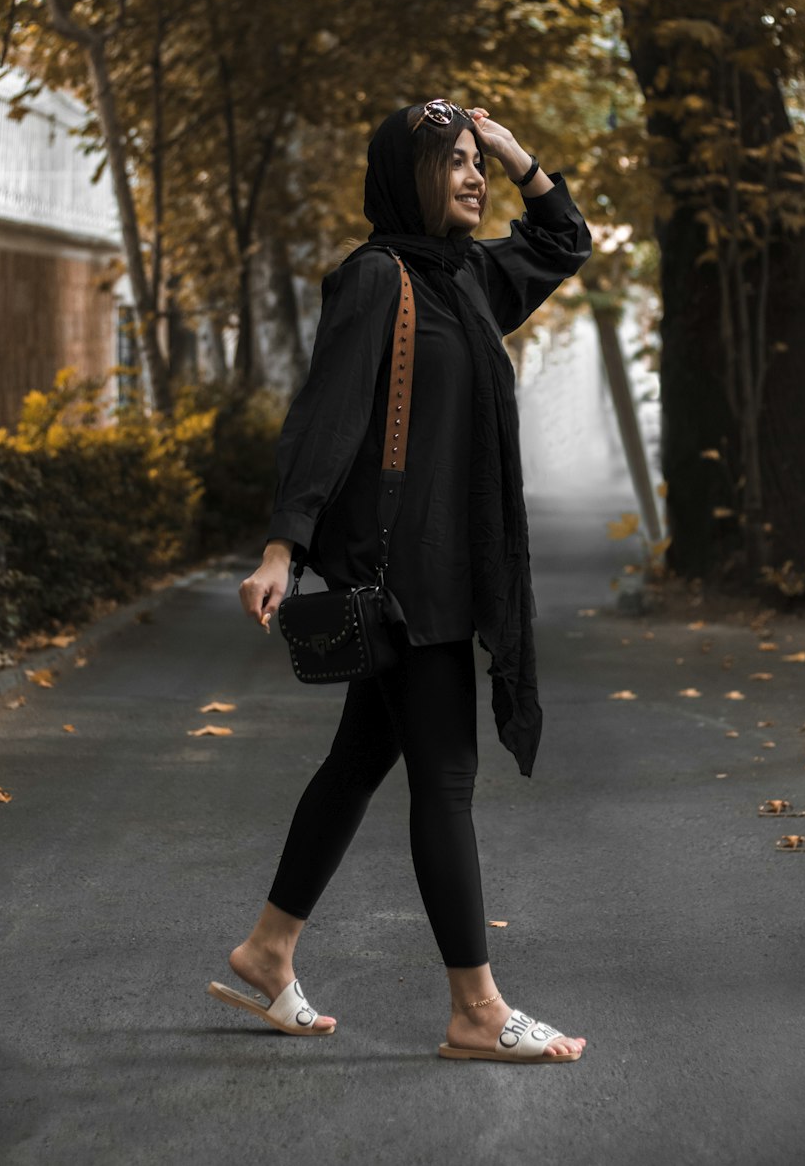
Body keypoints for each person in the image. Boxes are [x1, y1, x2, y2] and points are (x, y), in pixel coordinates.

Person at [210, 99, 592, 1063]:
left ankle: (268, 949)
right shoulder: (380, 280)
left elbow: (566, 237)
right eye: (454, 163)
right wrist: (280, 546)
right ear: (405, 178)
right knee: (446, 778)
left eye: (475, 161)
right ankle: (477, 1010)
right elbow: (327, 416)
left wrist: (515, 151)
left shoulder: (470, 279)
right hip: (401, 575)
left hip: (448, 569)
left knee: (357, 763)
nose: (471, 176)